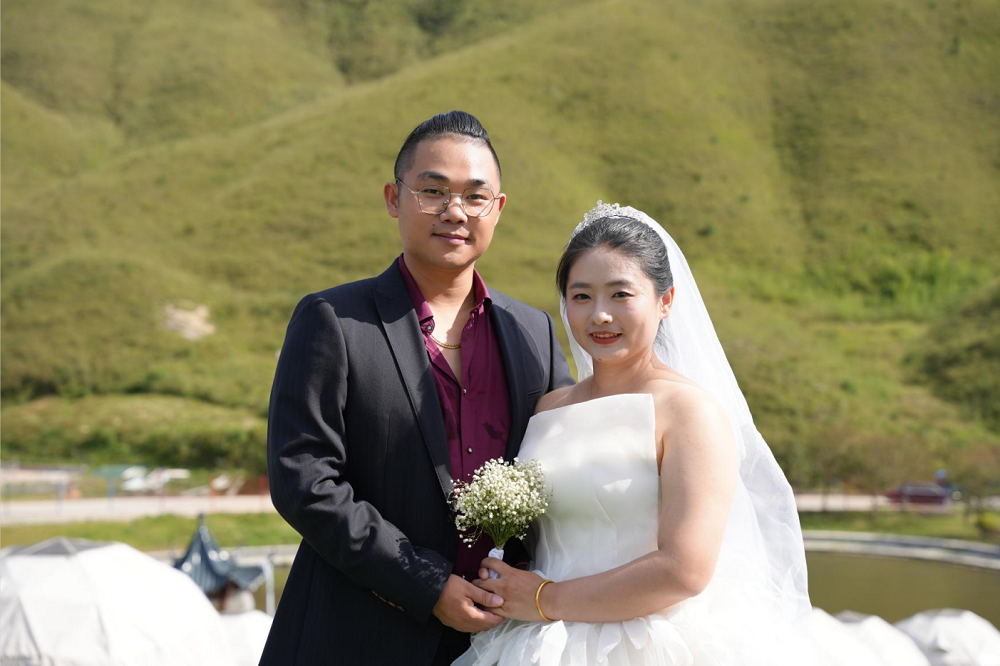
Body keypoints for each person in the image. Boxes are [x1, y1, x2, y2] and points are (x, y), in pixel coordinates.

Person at [260, 111, 574, 666]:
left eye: (475, 196)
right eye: (433, 191)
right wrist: (425, 585)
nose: (455, 211)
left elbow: (565, 469)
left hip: (504, 643)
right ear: (393, 198)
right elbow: (303, 480)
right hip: (357, 637)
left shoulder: (534, 332)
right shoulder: (333, 320)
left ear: (498, 209)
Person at [453, 202, 813, 665]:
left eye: (620, 294)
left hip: (643, 642)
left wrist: (545, 598)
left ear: (666, 301)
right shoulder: (550, 408)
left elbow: (684, 570)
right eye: (581, 297)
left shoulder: (689, 411)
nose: (600, 315)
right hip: (536, 642)